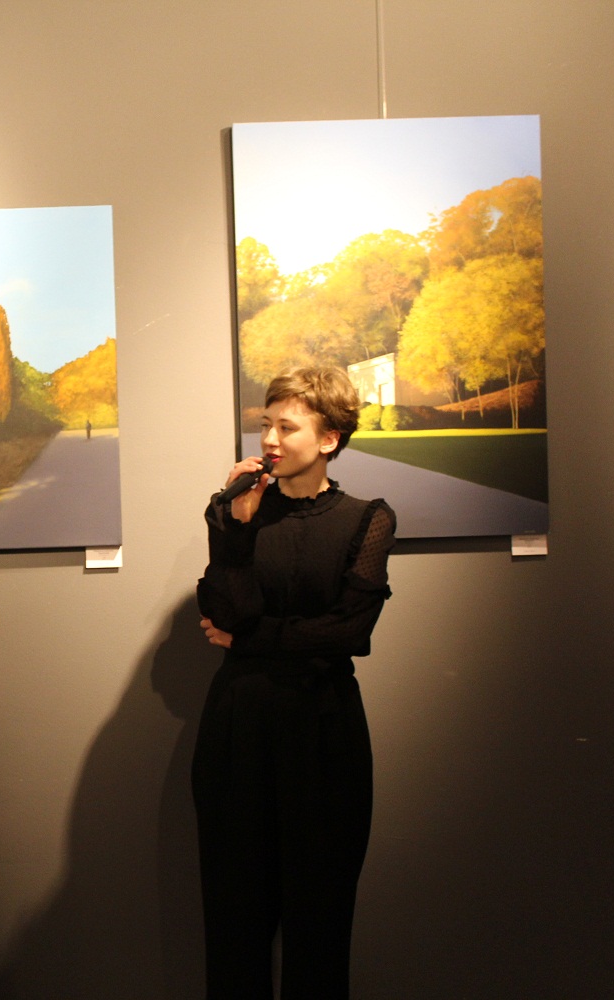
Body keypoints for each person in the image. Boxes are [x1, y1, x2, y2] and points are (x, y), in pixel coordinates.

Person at [192, 366, 396, 999]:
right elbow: (224, 611)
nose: (270, 440)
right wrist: (234, 526)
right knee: (234, 917)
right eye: (266, 425)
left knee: (322, 917)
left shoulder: (368, 519)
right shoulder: (237, 512)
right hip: (239, 729)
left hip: (323, 730)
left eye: (287, 427)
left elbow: (349, 631)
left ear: (329, 438)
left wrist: (251, 642)